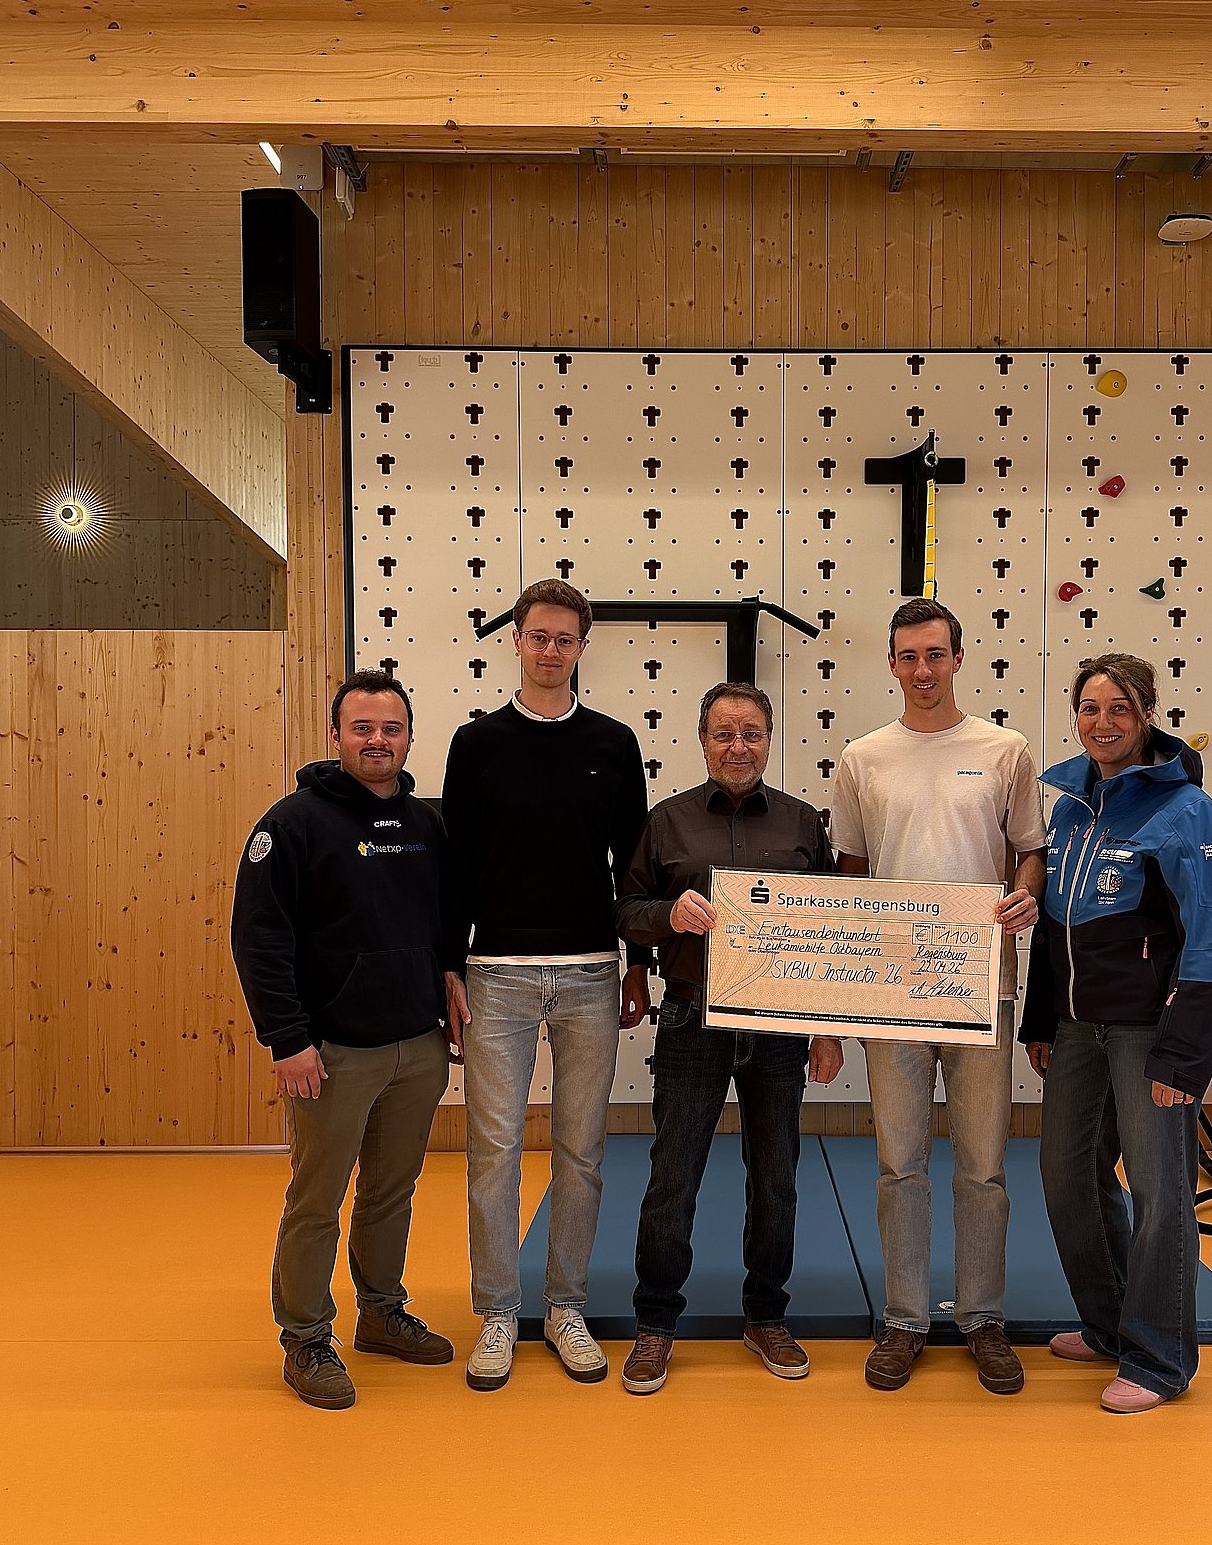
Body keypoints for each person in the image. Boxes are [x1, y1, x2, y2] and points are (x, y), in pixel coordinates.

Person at [830, 599, 1047, 1395]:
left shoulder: (1005, 750)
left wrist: (1027, 894)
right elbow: (850, 871)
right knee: (899, 1163)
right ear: (891, 664)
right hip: (892, 989)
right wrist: (847, 983)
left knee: (984, 1165)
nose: (922, 670)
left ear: (958, 658)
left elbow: (1029, 851)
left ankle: (983, 1317)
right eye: (908, 656)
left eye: (934, 655)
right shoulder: (863, 758)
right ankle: (905, 1319)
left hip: (980, 982)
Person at [441, 579, 650, 1392]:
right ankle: (498, 1311)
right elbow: (457, 864)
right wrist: (448, 965)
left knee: (582, 1152)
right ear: (517, 642)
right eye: (539, 637)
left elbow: (633, 868)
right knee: (493, 1154)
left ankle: (565, 1308)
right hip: (496, 975)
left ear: (582, 647)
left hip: (593, 972)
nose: (551, 650)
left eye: (565, 639)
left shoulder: (614, 742)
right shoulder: (475, 743)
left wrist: (638, 964)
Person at [231, 670, 457, 1410]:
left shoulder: (426, 824)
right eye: (362, 728)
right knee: (317, 1199)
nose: (377, 741)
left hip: (417, 1047)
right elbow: (259, 939)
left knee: (391, 1193)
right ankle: (304, 1337)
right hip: (330, 1054)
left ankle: (382, 1313)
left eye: (391, 729)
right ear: (335, 736)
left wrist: (448, 977)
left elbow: (445, 920)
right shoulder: (291, 825)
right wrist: (287, 1039)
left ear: (408, 738)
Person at [614, 683, 845, 1394]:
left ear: (769, 740)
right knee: (673, 1174)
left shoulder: (804, 822)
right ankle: (656, 1323)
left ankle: (766, 1315)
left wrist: (827, 1030)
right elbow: (625, 909)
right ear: (702, 740)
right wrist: (667, 916)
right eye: (723, 734)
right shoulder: (667, 821)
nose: (737, 747)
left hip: (779, 1025)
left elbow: (833, 931)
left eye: (751, 734)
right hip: (692, 1016)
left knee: (776, 1176)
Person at [1020, 654, 1212, 1414]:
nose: (1102, 722)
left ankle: (1160, 1358)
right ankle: (1110, 1324)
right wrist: (1041, 1019)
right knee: (1066, 1175)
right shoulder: (1069, 808)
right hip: (1077, 1027)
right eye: (1088, 707)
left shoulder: (1187, 812)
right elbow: (1053, 929)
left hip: (1150, 1032)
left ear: (1147, 714)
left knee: (1159, 1191)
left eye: (1118, 708)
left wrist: (1185, 1054)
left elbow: (1209, 937)